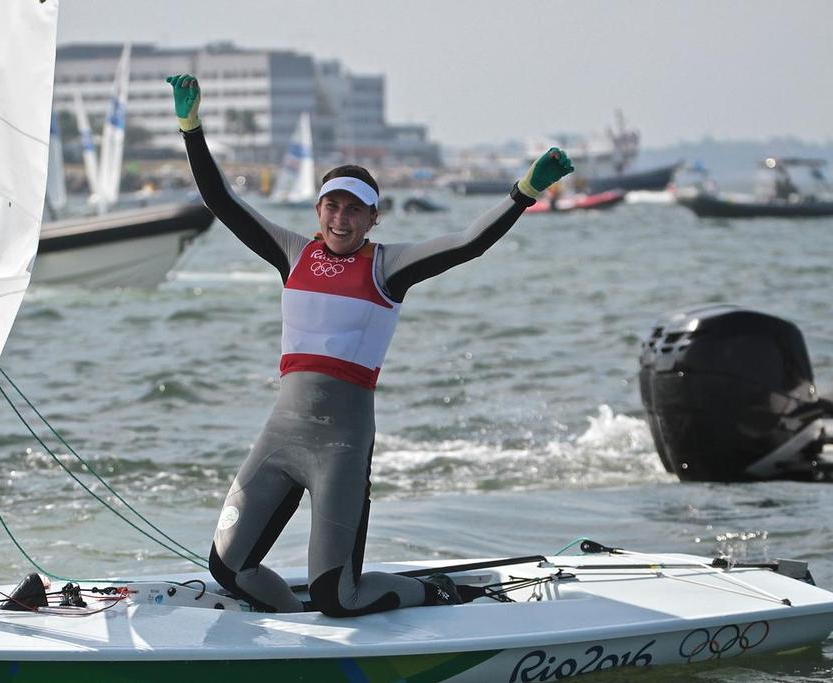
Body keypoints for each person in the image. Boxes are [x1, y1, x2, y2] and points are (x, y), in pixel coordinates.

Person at [166, 74, 573, 617]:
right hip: (280, 441)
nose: (341, 218)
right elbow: (220, 199)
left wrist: (524, 191)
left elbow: (467, 243)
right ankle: (290, 625)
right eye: (332, 206)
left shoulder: (388, 267)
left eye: (354, 209)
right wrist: (190, 127)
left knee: (341, 597)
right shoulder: (291, 254)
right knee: (228, 568)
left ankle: (438, 594)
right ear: (318, 211)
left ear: (373, 217)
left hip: (341, 449)